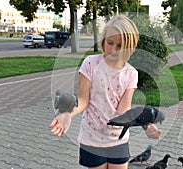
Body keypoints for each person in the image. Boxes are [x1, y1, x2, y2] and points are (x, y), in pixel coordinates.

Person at [49, 15, 162, 169]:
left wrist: (145, 124)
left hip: (118, 139)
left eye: (120, 45)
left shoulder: (131, 73)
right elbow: (82, 101)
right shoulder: (90, 63)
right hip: (92, 140)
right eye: (110, 43)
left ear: (130, 48)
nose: (113, 50)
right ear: (103, 40)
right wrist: (67, 113)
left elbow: (124, 110)